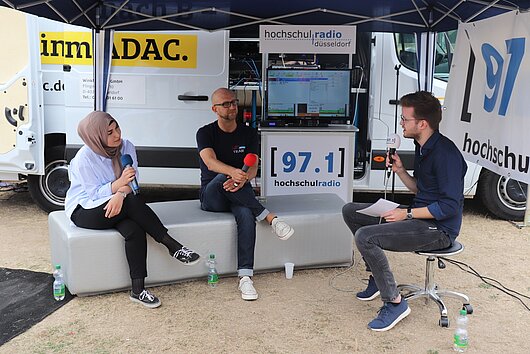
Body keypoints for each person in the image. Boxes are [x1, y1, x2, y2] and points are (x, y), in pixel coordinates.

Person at [342, 91, 467, 331]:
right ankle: (378, 279)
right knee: (351, 211)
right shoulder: (423, 146)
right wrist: (400, 171)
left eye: (405, 119)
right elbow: (422, 190)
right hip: (420, 215)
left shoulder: (445, 154)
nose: (400, 123)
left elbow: (449, 206)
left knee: (365, 237)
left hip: (439, 230)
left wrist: (407, 214)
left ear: (422, 123)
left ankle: (395, 302)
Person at [65, 111, 200, 308]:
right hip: (85, 209)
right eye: (109, 133)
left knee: (134, 229)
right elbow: (94, 194)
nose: (117, 135)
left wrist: (120, 194)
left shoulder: (127, 147)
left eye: (117, 127)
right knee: (132, 203)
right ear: (96, 137)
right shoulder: (84, 158)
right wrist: (120, 188)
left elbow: (133, 183)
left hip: (119, 202)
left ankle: (138, 290)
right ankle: (172, 245)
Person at [196, 87, 294, 301]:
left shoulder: (249, 133)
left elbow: (253, 167)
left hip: (240, 192)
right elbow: (210, 163)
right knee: (222, 178)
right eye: (226, 104)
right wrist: (234, 174)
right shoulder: (205, 132)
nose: (232, 107)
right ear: (214, 109)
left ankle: (245, 278)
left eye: (234, 102)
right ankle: (270, 218)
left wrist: (242, 179)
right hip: (212, 195)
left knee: (246, 216)